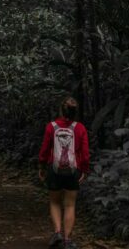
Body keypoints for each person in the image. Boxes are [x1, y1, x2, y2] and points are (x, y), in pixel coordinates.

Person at [38, 96, 90, 249]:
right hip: (73, 171)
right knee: (70, 205)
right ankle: (67, 240)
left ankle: (57, 233)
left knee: (54, 202)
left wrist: (41, 166)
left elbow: (45, 149)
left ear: (61, 110)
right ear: (75, 112)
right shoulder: (80, 128)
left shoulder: (51, 126)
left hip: (54, 170)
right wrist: (84, 170)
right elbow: (85, 154)